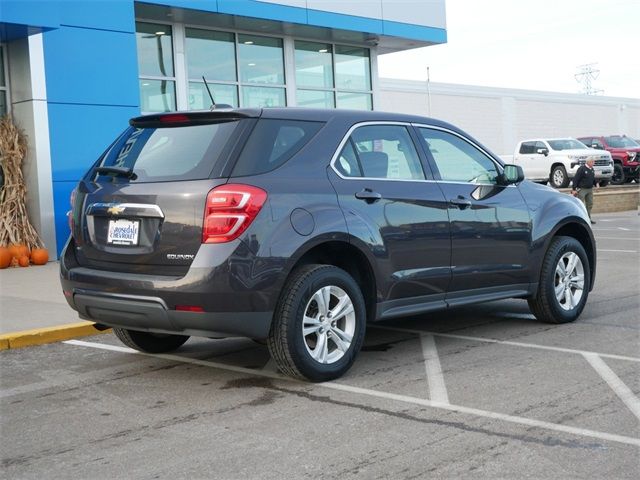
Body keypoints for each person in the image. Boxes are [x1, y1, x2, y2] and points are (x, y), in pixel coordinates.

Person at [571, 157, 599, 224]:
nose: (593, 163)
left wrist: (596, 183)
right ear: (588, 162)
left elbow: (592, 178)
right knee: (580, 204)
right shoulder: (581, 169)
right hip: (582, 189)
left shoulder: (591, 169)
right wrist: (574, 189)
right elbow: (576, 179)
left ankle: (588, 218)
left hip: (589, 189)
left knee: (589, 204)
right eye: (592, 162)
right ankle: (579, 219)